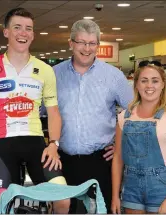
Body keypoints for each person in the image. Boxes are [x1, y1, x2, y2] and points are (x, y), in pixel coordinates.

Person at [0, 8, 69, 213]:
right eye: (17, 27)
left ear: (33, 34)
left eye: (28, 29)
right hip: (2, 147)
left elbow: (53, 113)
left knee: (62, 200)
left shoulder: (45, 70)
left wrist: (54, 144)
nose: (23, 33)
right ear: (6, 32)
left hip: (36, 145)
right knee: (1, 207)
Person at [53, 19, 133, 213]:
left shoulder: (113, 76)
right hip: (63, 161)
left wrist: (120, 145)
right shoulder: (54, 74)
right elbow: (38, 112)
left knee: (101, 210)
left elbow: (135, 113)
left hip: (101, 162)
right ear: (71, 43)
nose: (86, 49)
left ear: (98, 45)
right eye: (81, 42)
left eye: (92, 43)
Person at [112, 60, 166, 214]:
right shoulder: (124, 116)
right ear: (136, 85)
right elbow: (118, 157)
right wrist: (115, 195)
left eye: (155, 81)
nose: (149, 86)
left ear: (163, 85)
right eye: (144, 81)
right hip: (131, 186)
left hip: (163, 187)